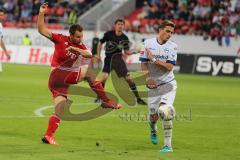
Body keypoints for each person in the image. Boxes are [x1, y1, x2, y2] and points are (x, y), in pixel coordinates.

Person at [37, 3, 121, 145]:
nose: (79, 39)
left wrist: (79, 51)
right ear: (70, 35)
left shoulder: (80, 46)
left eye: (81, 36)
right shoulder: (60, 39)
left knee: (60, 109)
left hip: (60, 83)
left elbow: (88, 54)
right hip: (57, 75)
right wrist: (41, 13)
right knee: (88, 73)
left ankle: (48, 135)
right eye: (77, 37)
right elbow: (41, 29)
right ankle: (106, 101)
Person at [140, 20, 177, 152]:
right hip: (153, 86)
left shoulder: (172, 46)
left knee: (165, 111)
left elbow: (170, 66)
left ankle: (168, 145)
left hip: (168, 83)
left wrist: (155, 60)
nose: (169, 34)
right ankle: (153, 128)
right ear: (160, 30)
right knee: (153, 116)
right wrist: (148, 78)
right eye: (167, 31)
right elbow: (143, 63)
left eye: (171, 32)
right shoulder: (148, 43)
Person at [95, 19, 146, 105]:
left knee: (129, 79)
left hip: (119, 60)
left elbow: (127, 52)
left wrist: (136, 51)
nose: (120, 26)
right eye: (119, 24)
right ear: (115, 25)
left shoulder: (124, 38)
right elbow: (100, 43)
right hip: (109, 60)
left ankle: (138, 99)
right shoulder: (108, 34)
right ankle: (99, 98)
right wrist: (98, 55)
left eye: (122, 24)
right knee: (104, 77)